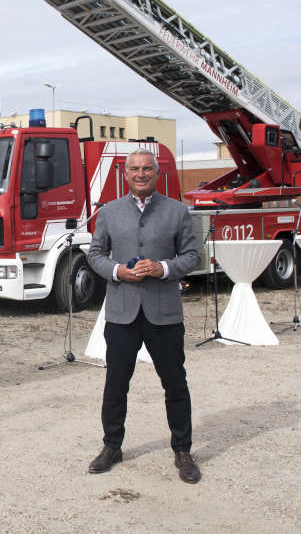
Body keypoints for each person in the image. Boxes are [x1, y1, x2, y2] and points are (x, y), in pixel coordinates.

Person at [86, 150, 202, 482]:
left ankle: (182, 449)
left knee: (175, 383)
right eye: (134, 169)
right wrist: (118, 271)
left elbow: (193, 255)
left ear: (157, 172)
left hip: (163, 312)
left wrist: (164, 268)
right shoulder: (108, 212)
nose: (141, 174)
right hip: (122, 312)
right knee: (115, 384)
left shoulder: (177, 211)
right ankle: (112, 446)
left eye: (147, 169)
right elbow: (95, 254)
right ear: (125, 174)